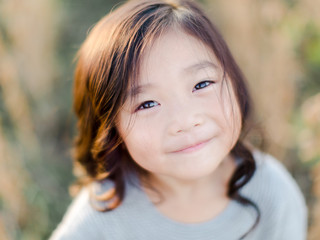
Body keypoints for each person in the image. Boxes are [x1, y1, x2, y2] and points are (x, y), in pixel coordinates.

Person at [50, 0, 307, 239]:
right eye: (147, 104)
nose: (185, 120)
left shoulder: (272, 192)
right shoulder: (100, 221)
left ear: (234, 83)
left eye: (202, 83)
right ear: (111, 130)